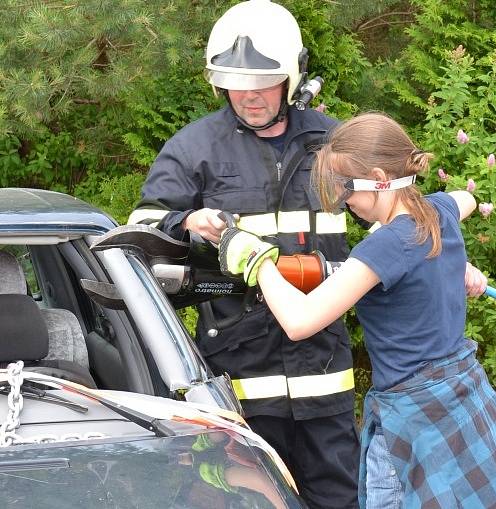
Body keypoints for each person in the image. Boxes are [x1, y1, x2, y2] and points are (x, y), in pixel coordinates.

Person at [220, 112, 496, 508]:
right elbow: (468, 199)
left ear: (379, 177)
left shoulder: (384, 247)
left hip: (415, 421)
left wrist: (258, 261)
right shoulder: (438, 212)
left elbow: (299, 321)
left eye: (345, 188)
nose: (344, 201)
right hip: (462, 399)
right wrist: (447, 262)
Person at [128, 1, 360, 507]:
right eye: (236, 83)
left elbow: (392, 210)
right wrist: (184, 222)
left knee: (341, 499)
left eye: (263, 82)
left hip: (323, 370)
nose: (249, 96)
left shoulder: (335, 143)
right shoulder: (194, 148)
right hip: (240, 377)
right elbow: (140, 230)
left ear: (293, 77)